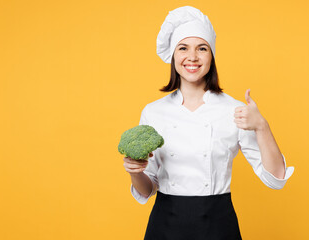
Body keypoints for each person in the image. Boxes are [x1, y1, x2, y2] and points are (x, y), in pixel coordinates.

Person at [123, 6, 295, 240]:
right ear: (174, 55)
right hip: (165, 225)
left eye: (201, 48)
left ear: (211, 55)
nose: (192, 57)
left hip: (218, 225)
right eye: (183, 48)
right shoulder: (154, 112)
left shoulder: (235, 110)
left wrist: (261, 126)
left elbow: (275, 178)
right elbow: (147, 189)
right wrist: (135, 172)